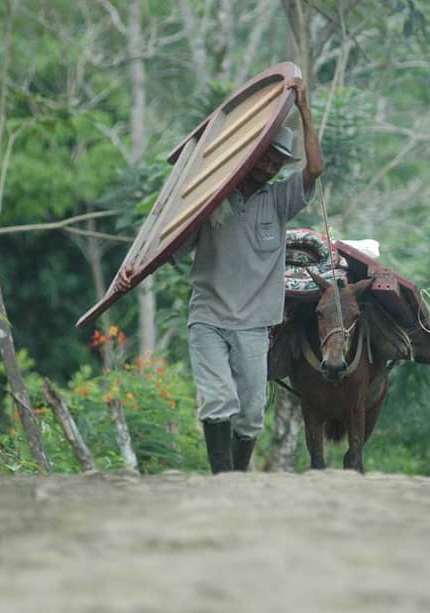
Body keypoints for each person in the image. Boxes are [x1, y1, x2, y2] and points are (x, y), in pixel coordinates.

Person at [118, 78, 323, 474]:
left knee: (249, 416)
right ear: (250, 153)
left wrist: (304, 110)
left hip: (254, 323)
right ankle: (222, 480)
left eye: (276, 162)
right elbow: (167, 243)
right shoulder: (209, 199)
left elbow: (315, 168)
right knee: (217, 401)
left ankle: (237, 477)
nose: (268, 166)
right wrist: (133, 269)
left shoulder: (279, 200)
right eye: (264, 157)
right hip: (208, 317)